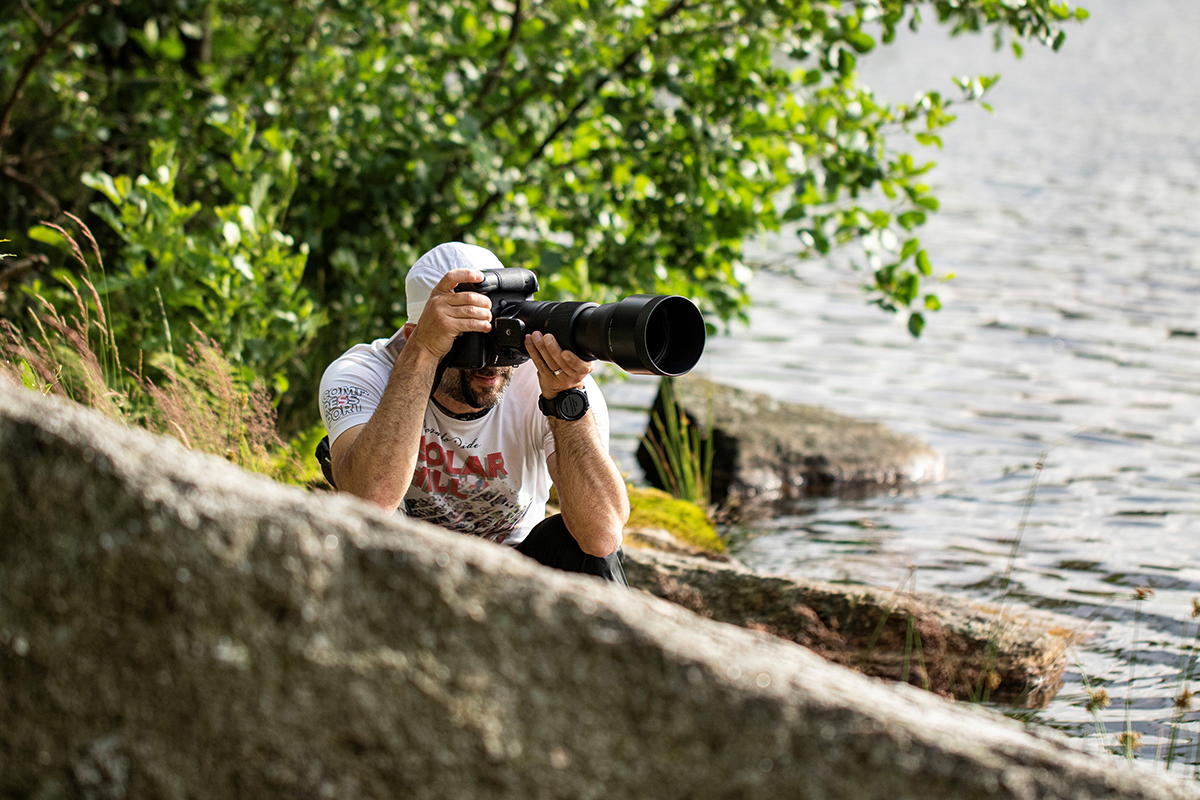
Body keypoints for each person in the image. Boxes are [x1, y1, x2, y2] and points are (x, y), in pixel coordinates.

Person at [318, 242, 629, 584]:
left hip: (516, 572)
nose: (491, 361)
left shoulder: (548, 376)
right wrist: (422, 355)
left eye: (499, 336)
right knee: (350, 466)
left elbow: (604, 536)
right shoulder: (363, 372)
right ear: (412, 337)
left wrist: (567, 401)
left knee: (586, 548)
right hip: (405, 572)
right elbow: (369, 502)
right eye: (470, 340)